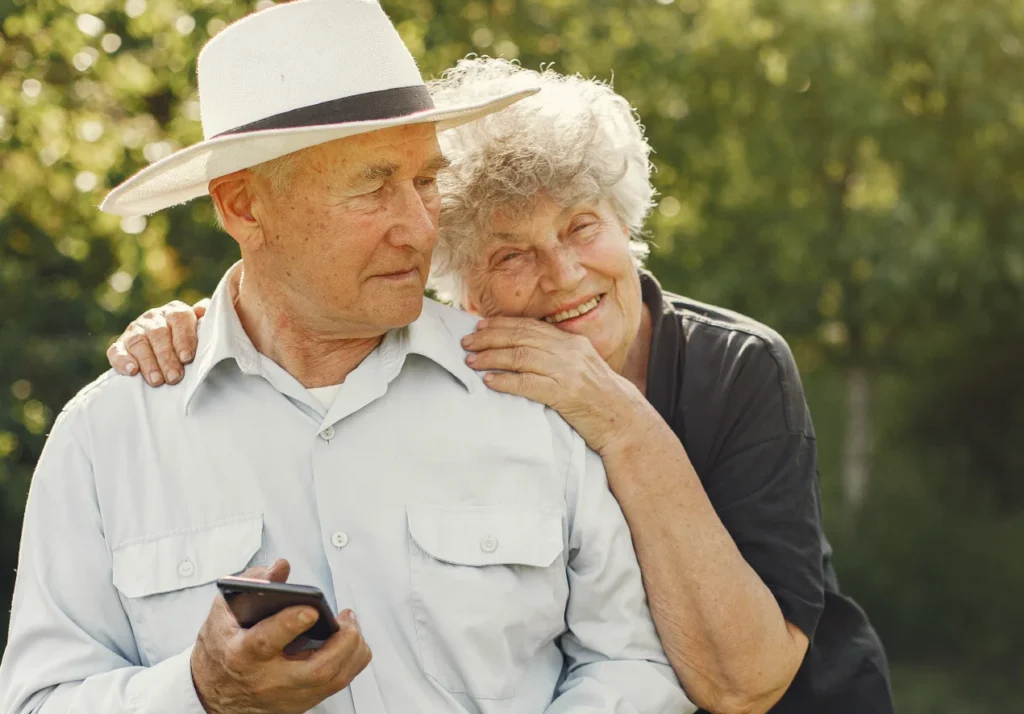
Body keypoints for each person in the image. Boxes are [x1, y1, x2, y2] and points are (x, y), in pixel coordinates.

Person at [109, 57, 897, 714]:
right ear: (457, 287)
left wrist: (620, 420)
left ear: (626, 223)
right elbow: (301, 302)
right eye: (510, 255)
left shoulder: (738, 366)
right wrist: (219, 325)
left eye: (583, 227)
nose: (562, 276)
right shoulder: (467, 373)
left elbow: (746, 681)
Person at [0, 3, 694, 714]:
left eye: (426, 181)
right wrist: (200, 692)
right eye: (372, 186)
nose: (422, 227)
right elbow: (37, 702)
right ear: (243, 206)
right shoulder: (105, 439)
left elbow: (634, 661)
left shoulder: (531, 384)